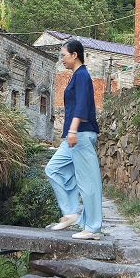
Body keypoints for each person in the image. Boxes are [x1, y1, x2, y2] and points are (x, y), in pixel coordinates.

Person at [44, 39, 102, 240]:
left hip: (80, 135)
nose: (62, 59)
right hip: (73, 136)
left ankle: (92, 228)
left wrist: (73, 130)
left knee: (88, 182)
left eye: (63, 55)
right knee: (53, 169)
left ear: (74, 55)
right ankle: (70, 213)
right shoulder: (76, 76)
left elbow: (83, 105)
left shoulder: (83, 75)